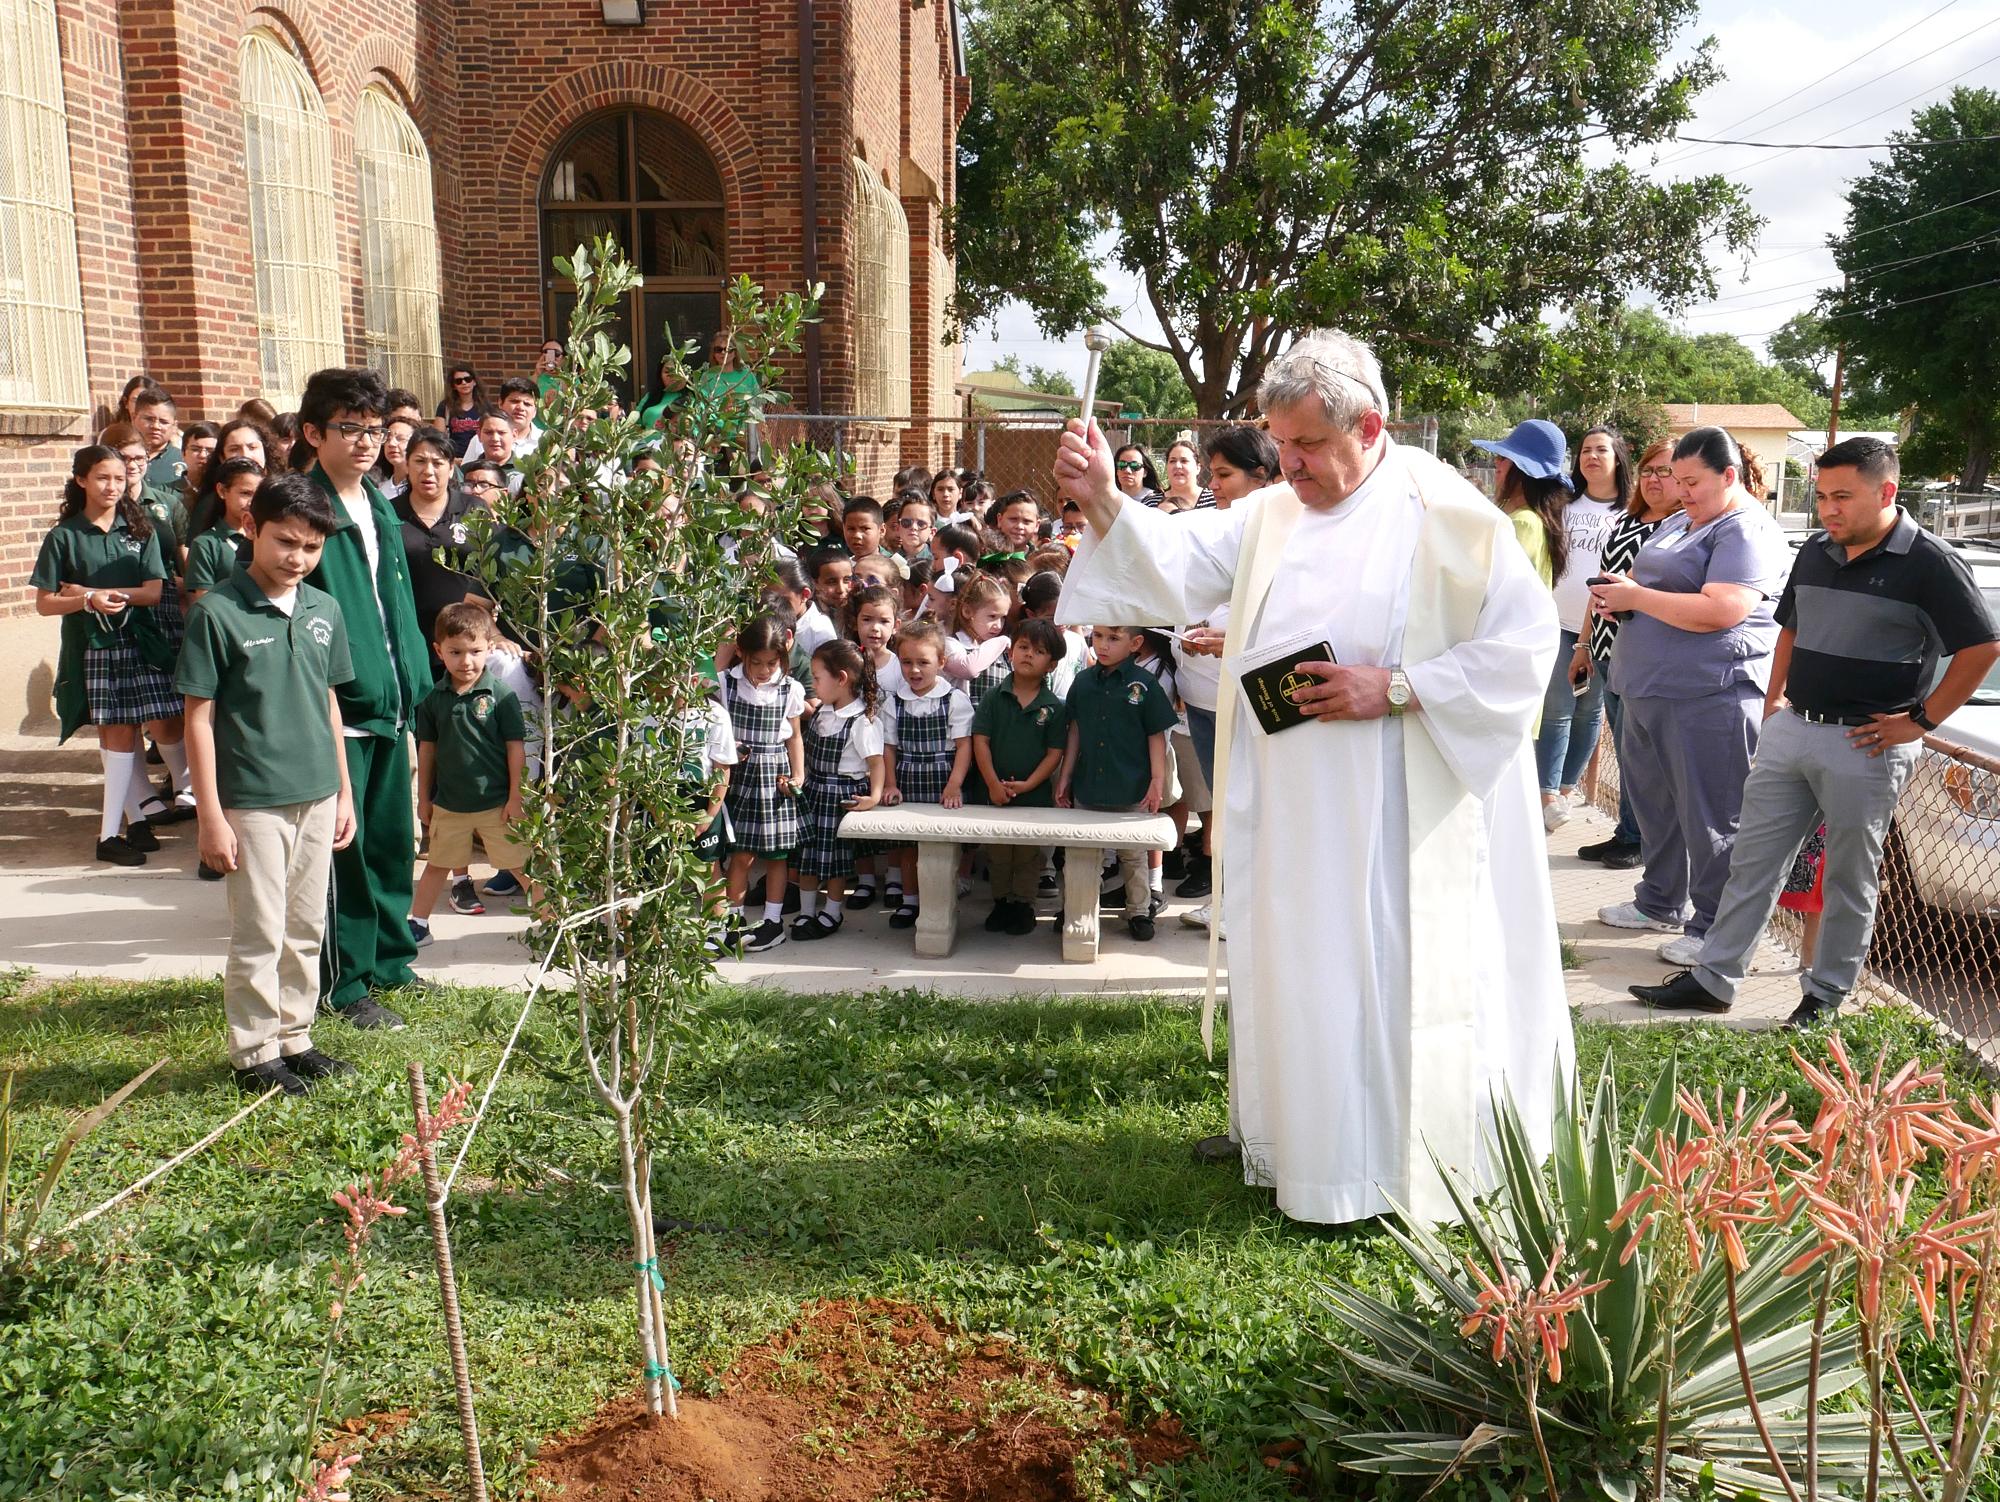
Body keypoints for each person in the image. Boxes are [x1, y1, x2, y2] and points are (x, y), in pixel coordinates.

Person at [1052, 327, 1570, 1225]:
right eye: (1280, 444)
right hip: (1291, 804)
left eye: (1308, 447)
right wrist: (1104, 497)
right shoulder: (1275, 512)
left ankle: (1402, 1159)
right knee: (1305, 967)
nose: (1287, 466)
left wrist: (1397, 686)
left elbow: (1524, 653)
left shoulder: (1450, 519)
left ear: (1371, 426)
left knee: (1388, 971)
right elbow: (1181, 564)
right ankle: (1304, 1148)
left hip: (1400, 806)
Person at [1631, 436, 2000, 1027]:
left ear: (1887, 491)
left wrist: (1921, 721)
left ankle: (1825, 995)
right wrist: (1775, 701)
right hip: (1793, 730)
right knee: (1751, 861)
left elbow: (1981, 647)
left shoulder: (1930, 562)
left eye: (1843, 497)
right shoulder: (1818, 551)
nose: (1829, 509)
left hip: (1867, 744)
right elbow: (1790, 631)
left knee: (1850, 877)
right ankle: (1714, 978)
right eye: (1823, 496)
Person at [176, 473, 357, 1095]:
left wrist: (343, 791)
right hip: (252, 799)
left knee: (306, 927)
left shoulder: (322, 608)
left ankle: (294, 1036)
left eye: (311, 548)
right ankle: (254, 1052)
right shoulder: (217, 613)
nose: (297, 559)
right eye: (285, 542)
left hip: (317, 793)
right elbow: (196, 718)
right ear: (251, 527)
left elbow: (330, 703)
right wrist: (210, 815)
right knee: (260, 929)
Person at [1592, 427, 1791, 967]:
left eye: (1692, 481)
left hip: (1711, 693)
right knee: (1657, 807)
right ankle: (1660, 902)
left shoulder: (1745, 530)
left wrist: (1638, 597)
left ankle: (1714, 928)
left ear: (1729, 476)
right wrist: (1621, 595)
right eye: (1676, 480)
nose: (1681, 492)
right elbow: (1649, 580)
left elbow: (1723, 609)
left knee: (1712, 814)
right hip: (1649, 687)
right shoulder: (1685, 518)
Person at [299, 367, 432, 1029]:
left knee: (387, 841)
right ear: (312, 433)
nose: (366, 442)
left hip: (391, 700)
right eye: (348, 429)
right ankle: (344, 983)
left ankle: (389, 961)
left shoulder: (379, 502)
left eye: (374, 430)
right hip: (339, 707)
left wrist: (415, 680)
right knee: (343, 854)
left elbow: (392, 603)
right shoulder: (304, 509)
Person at [31, 445, 177, 865]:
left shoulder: (140, 528)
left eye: (118, 477)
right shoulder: (64, 535)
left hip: (139, 642)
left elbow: (152, 593)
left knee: (130, 735)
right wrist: (85, 602)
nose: (112, 486)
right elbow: (45, 602)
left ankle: (135, 821)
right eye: (102, 478)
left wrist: (95, 593)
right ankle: (111, 834)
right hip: (95, 647)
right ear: (81, 481)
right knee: (116, 736)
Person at [1175, 425, 1281, 929]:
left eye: (1223, 475)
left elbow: (1282, 621)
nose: (1213, 485)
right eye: (1211, 474)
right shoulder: (1215, 524)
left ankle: (1253, 910)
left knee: (1253, 806)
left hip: (1250, 697)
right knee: (1225, 805)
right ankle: (1226, 903)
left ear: (1261, 477)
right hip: (1201, 692)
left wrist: (1233, 641)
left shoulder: (1284, 532)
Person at [1576, 439, 1680, 870]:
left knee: (1642, 756)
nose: (1655, 479)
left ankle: (1640, 840)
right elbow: (1599, 586)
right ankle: (1627, 832)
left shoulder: (1683, 529)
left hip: (1645, 659)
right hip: (1605, 653)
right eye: (1649, 471)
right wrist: (1582, 645)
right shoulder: (1626, 520)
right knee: (1624, 751)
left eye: (1666, 471)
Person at [407, 603, 530, 950]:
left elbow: (515, 748)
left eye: (475, 651)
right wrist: (423, 798)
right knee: (436, 866)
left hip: (496, 804)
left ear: (490, 648)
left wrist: (516, 797)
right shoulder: (433, 699)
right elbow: (427, 750)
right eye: (456, 652)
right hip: (450, 805)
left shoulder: (502, 696)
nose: (466, 661)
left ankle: (554, 923)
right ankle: (417, 924)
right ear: (439, 652)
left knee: (519, 866)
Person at [1054, 624, 1174, 941]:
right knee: (1081, 853)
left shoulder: (1145, 684)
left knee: (1133, 855)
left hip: (1131, 783)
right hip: (1089, 783)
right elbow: (1075, 729)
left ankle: (1138, 911)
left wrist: (1156, 780)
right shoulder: (1083, 682)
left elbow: (1156, 735)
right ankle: (1075, 908)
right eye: (1099, 636)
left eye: (1114, 638)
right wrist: (1065, 776)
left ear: (1135, 643)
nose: (1103, 645)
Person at [1536, 427, 1630, 828]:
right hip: (1558, 623)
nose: (1591, 456)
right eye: (1585, 450)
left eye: (1601, 449)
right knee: (1557, 706)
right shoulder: (1564, 505)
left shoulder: (1630, 513)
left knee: (1590, 712)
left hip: (1606, 631)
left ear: (1618, 458)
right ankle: (1545, 792)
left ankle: (1567, 791)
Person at [970, 620, 1071, 936]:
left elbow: (1055, 752)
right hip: (995, 793)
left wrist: (1030, 784)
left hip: (1034, 796)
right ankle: (1001, 903)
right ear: (1011, 651)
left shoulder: (1053, 707)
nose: (1029, 655)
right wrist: (991, 783)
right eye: (1024, 647)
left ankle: (1023, 905)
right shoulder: (993, 697)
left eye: (1039, 651)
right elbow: (980, 741)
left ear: (1051, 664)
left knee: (1028, 855)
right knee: (998, 853)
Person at [719, 613, 806, 952]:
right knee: (741, 854)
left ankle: (772, 921)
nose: (765, 669)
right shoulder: (728, 683)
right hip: (740, 777)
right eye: (758, 662)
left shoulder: (790, 689)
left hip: (775, 778)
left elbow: (795, 737)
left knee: (777, 855)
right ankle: (733, 919)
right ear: (742, 653)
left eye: (772, 662)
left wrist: (798, 774)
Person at [790, 640, 886, 940]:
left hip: (839, 795)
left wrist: (875, 795)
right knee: (807, 856)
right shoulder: (822, 712)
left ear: (841, 679)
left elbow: (876, 762)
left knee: (832, 862)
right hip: (815, 789)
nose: (813, 684)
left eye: (817, 678)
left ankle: (831, 912)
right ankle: (806, 912)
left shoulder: (862, 721)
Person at [882, 619, 973, 930]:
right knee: (909, 847)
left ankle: (940, 900)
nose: (914, 671)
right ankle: (910, 902)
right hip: (908, 780)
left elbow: (963, 747)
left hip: (941, 781)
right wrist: (891, 784)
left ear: (941, 662)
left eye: (923, 662)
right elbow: (889, 747)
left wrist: (954, 786)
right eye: (907, 662)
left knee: (941, 847)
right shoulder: (894, 701)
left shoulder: (953, 700)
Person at [393, 428, 488, 657]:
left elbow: (489, 570)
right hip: (408, 635)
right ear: (406, 464)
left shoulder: (473, 509)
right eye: (419, 461)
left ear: (451, 467)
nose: (428, 471)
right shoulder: (388, 513)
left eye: (437, 463)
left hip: (466, 640)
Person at [183, 458, 264, 600]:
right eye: (245, 493)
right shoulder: (206, 544)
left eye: (257, 494)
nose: (252, 502)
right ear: (222, 491)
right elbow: (202, 603)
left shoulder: (267, 538)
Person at [945, 572, 1014, 704]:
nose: (998, 625)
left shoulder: (1000, 650)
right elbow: (968, 669)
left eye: (1003, 618)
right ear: (967, 611)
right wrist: (1001, 641)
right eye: (992, 617)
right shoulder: (951, 644)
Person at [132, 385, 184, 492]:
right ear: (133, 418)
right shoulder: (118, 458)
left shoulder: (183, 461)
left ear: (174, 425)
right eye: (149, 419)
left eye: (163, 422)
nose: (156, 426)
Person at [437, 366, 486, 451]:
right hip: (454, 458)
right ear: (453, 386)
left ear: (474, 382)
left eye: (468, 379)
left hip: (478, 457)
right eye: (458, 381)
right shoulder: (445, 406)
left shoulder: (484, 406)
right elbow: (438, 437)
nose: (464, 383)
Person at [1159, 438, 1213, 511]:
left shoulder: (1214, 500)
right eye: (1172, 461)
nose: (1177, 466)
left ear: (1198, 467)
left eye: (1184, 461)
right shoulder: (1151, 503)